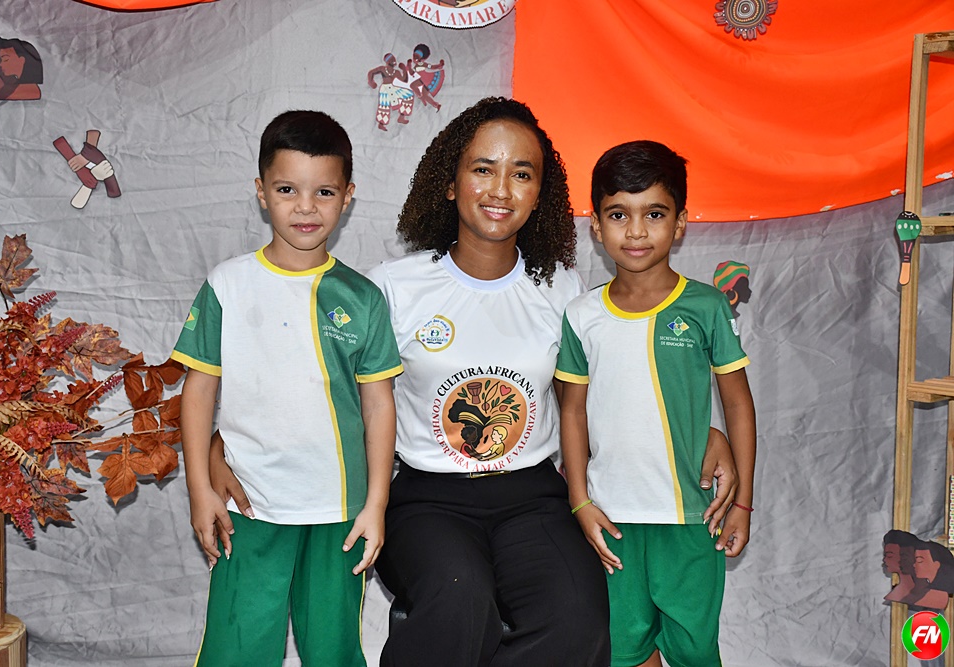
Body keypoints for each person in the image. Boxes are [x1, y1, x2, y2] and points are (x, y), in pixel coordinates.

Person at [210, 98, 740, 665]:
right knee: (459, 600)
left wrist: (705, 435)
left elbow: (599, 397)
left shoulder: (562, 289)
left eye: (522, 174)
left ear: (540, 194)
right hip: (424, 498)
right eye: (483, 168)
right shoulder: (392, 288)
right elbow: (321, 384)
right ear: (449, 181)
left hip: (533, 496)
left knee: (579, 614)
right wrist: (225, 445)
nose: (501, 189)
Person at [173, 110, 403, 667]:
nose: (306, 207)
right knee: (237, 647)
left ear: (347, 197)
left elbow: (379, 405)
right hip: (248, 503)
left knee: (332, 649)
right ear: (261, 192)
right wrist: (200, 488)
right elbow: (198, 392)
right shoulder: (227, 285)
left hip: (340, 510)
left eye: (324, 191)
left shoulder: (362, 298)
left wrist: (376, 503)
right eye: (287, 189)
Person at [557, 140, 757, 667]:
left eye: (654, 214)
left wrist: (742, 503)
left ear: (681, 222)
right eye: (618, 214)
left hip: (692, 518)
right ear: (596, 226)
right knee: (623, 651)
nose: (636, 231)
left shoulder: (706, 306)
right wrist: (579, 500)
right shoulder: (581, 315)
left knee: (695, 650)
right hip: (611, 521)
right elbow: (571, 412)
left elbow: (738, 405)